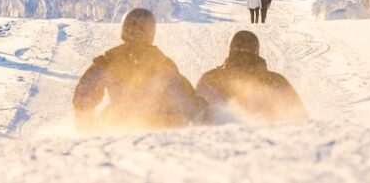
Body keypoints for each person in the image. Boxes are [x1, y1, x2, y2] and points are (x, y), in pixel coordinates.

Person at [73, 8, 208, 132]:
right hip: (158, 125)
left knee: (107, 113)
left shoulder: (108, 61)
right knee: (177, 117)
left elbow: (85, 93)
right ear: (150, 32)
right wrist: (202, 114)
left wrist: (85, 123)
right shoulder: (162, 63)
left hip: (119, 122)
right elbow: (184, 99)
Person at [195, 31, 308, 124]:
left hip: (217, 145)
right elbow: (301, 119)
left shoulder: (210, 79)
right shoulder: (277, 81)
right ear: (257, 52)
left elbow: (194, 120)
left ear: (230, 51)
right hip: (269, 144)